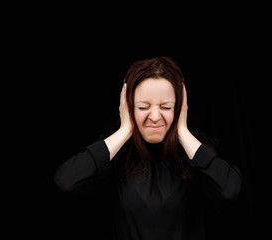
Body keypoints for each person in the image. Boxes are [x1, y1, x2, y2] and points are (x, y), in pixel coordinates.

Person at [54, 56, 243, 240]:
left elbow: (229, 190)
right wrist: (126, 129)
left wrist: (182, 130)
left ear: (180, 107)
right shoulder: (114, 151)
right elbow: (67, 181)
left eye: (166, 107)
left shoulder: (194, 150)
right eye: (143, 107)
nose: (154, 116)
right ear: (127, 107)